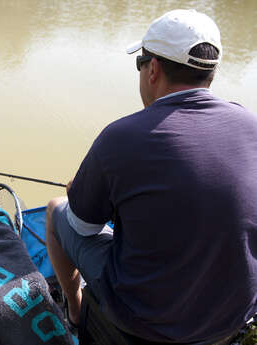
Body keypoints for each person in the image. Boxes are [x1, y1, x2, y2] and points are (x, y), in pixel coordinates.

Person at [45, 9, 257, 344]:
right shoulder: (252, 127)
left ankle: (75, 310)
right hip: (231, 318)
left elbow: (83, 226)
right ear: (211, 75)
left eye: (140, 64)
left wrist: (80, 196)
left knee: (56, 210)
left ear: (153, 69)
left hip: (144, 322)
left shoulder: (122, 137)